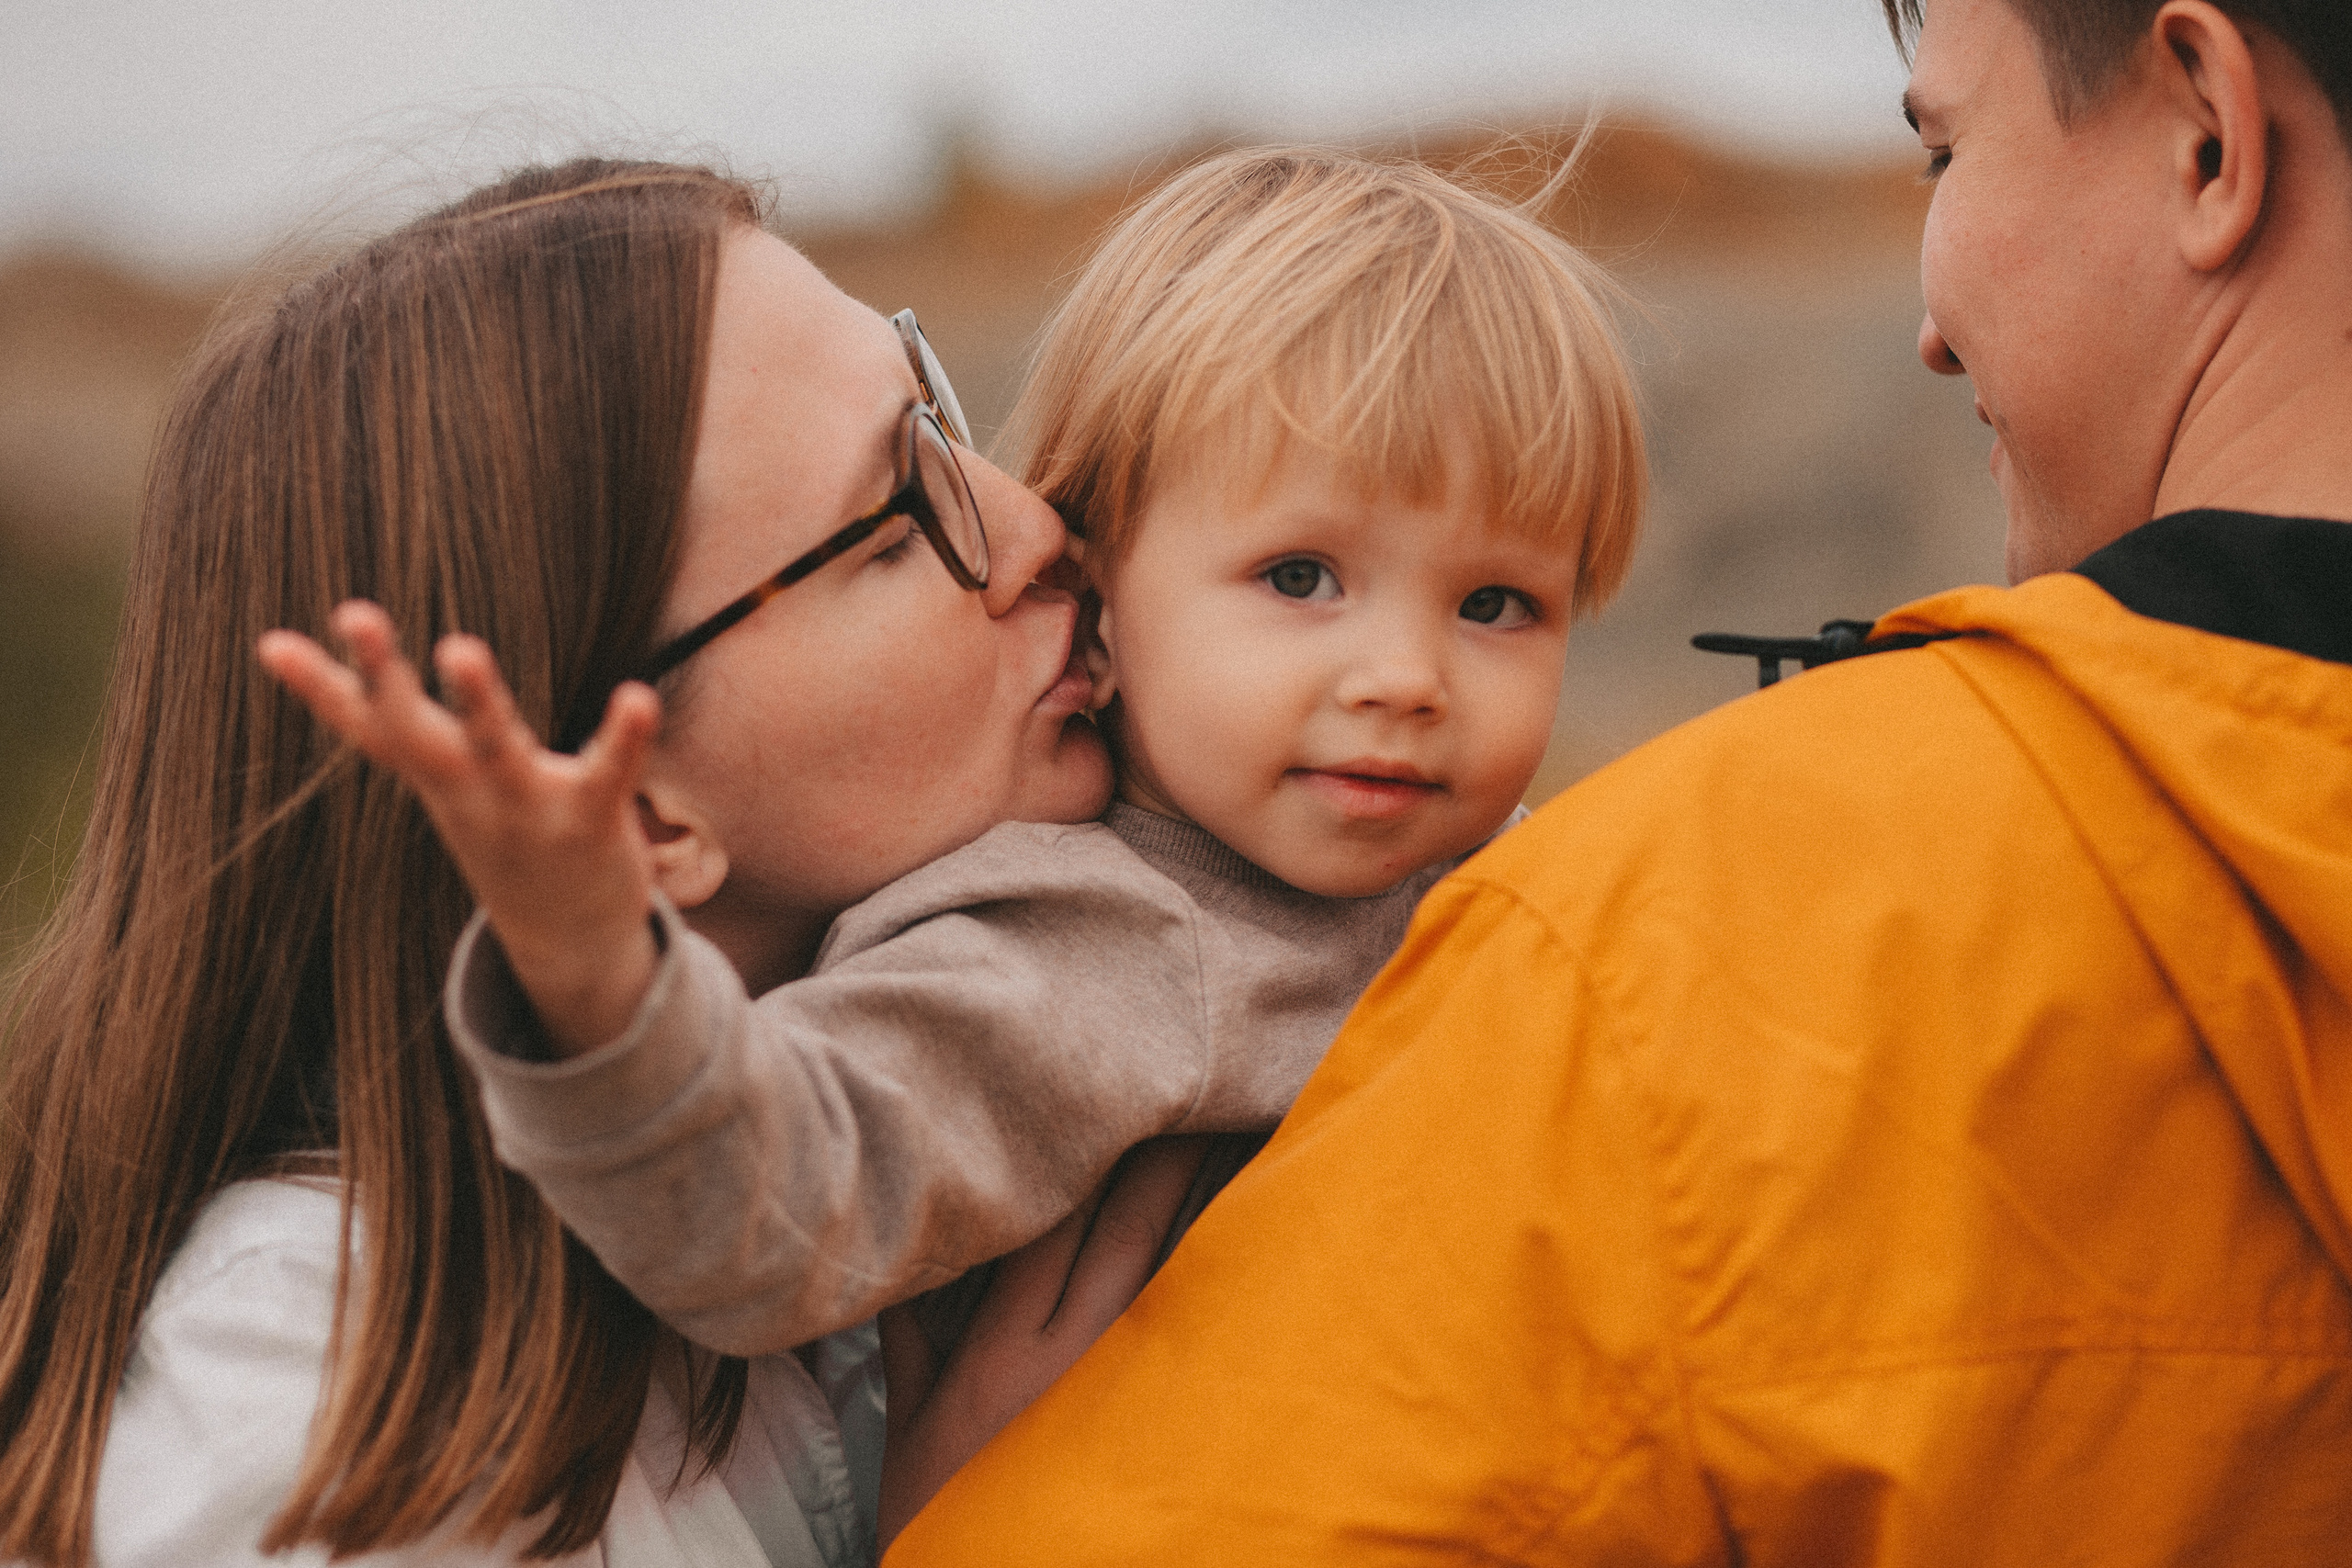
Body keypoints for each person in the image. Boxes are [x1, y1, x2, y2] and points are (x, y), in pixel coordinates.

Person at [884, 1, 2352, 1562]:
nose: (1925, 327)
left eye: (1942, 151)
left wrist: (953, 1520)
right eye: (1304, 576)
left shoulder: (1663, 956)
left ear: (2208, 133)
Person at [261, 148, 1646, 1541]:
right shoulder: (1090, 937)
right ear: (1108, 608)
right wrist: (593, 969)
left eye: (1499, 605)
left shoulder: (1529, 873)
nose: (1406, 676)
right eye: (1301, 578)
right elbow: (773, 1202)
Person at [0, 158, 1125, 1566]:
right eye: (899, 525)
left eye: (941, 413)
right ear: (635, 813)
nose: (1033, 527)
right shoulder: (310, 1447)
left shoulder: (898, 1124)